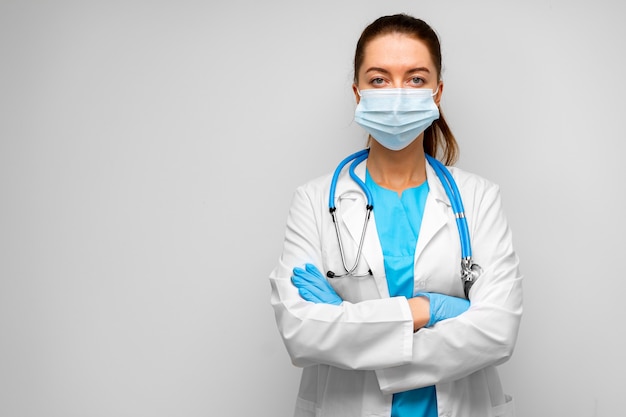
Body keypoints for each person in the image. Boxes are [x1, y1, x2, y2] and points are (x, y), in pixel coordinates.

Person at [269, 13, 523, 417]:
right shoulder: (315, 200)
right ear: (358, 92)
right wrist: (426, 310)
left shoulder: (478, 198)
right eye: (379, 79)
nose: (398, 93)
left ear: (437, 93)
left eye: (416, 79)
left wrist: (347, 321)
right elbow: (302, 332)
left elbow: (496, 331)